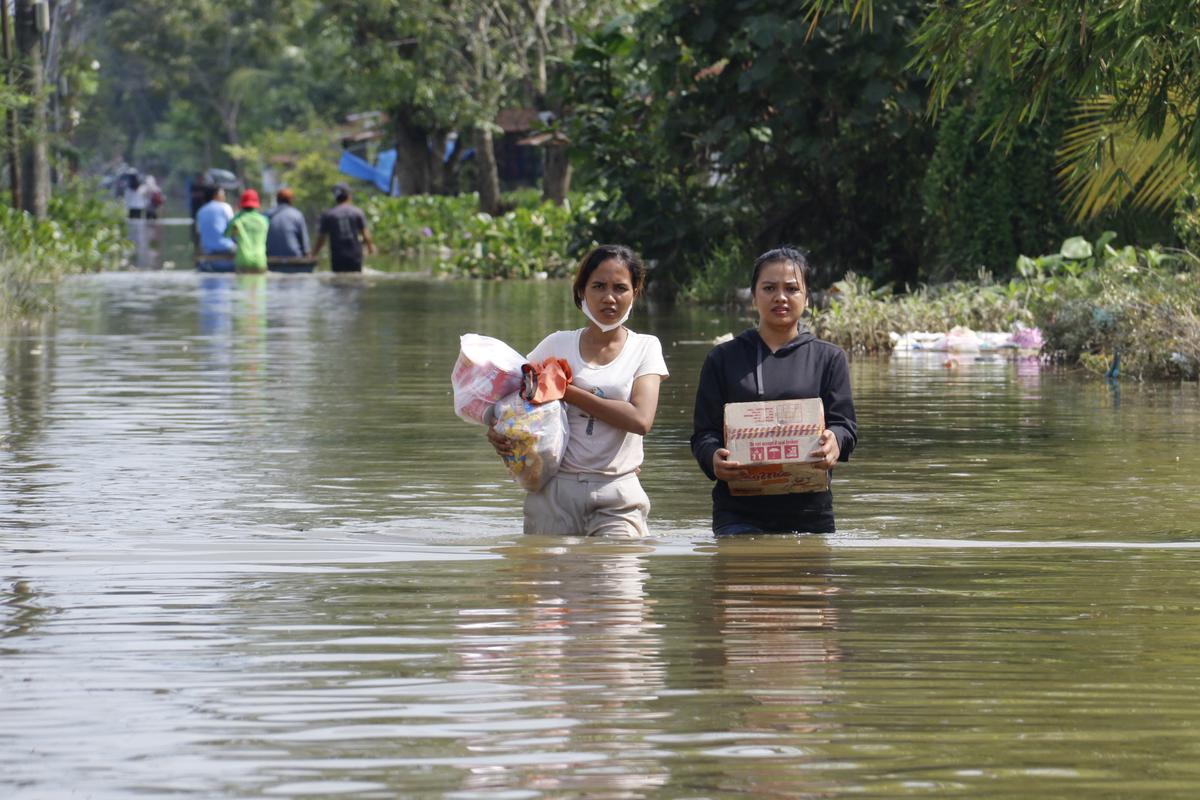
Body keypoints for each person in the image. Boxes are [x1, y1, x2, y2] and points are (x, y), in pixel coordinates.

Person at [487, 244, 669, 538]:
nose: (608, 297)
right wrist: (497, 430)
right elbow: (507, 401)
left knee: (620, 577)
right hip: (554, 492)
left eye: (620, 288)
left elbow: (640, 419)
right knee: (551, 582)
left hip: (617, 493)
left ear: (635, 293)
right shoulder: (555, 345)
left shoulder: (645, 348)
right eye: (598, 286)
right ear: (582, 290)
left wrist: (567, 392)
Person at [691, 246, 857, 535]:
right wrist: (713, 457)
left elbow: (845, 426)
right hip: (738, 512)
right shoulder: (723, 358)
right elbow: (704, 433)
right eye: (769, 288)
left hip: (810, 511)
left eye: (791, 288)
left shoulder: (828, 358)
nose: (780, 297)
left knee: (812, 581)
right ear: (754, 296)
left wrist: (835, 443)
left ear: (806, 298)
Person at [312, 183, 375, 272]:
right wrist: (371, 249)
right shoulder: (357, 212)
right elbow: (366, 235)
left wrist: (313, 254)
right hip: (355, 256)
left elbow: (321, 239)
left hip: (338, 257)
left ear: (335, 197)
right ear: (349, 196)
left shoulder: (328, 215)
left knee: (338, 283)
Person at [225, 189, 270, 273]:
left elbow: (226, 234)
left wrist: (237, 215)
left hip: (243, 262)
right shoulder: (264, 220)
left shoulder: (237, 220)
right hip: (260, 261)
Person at [266, 188, 310, 258]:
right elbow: (305, 245)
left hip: (271, 257)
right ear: (291, 200)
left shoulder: (267, 215)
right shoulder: (297, 215)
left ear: (277, 200)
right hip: (294, 258)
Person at [196, 185, 236, 256]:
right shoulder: (225, 207)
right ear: (215, 195)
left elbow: (199, 233)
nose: (224, 196)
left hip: (207, 250)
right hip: (226, 248)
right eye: (222, 193)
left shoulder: (201, 211)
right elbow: (233, 228)